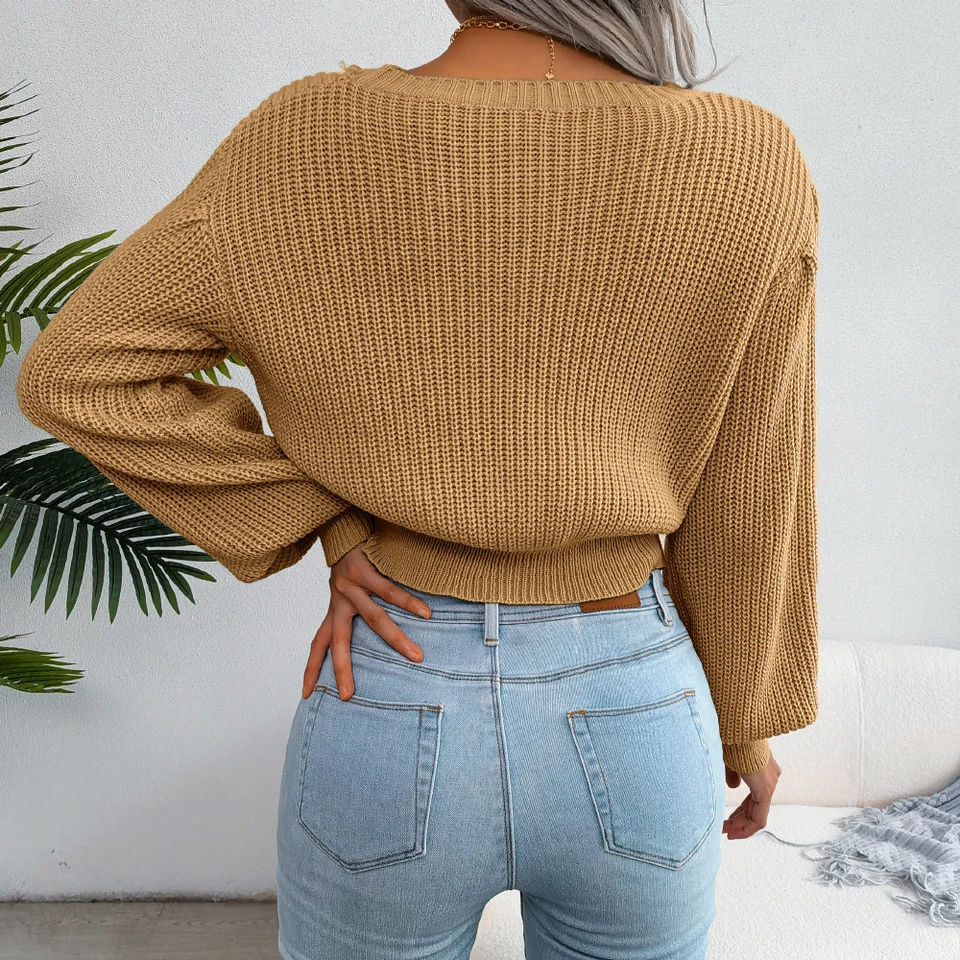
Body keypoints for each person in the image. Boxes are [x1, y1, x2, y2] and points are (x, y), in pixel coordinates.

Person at [15, 2, 820, 957]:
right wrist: (744, 724)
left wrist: (323, 521)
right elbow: (752, 485)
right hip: (635, 709)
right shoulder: (750, 159)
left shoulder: (304, 136)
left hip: (391, 688)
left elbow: (79, 371)